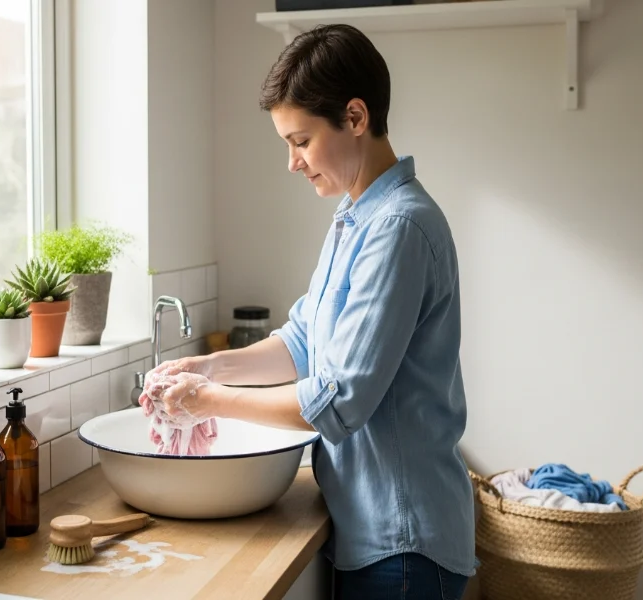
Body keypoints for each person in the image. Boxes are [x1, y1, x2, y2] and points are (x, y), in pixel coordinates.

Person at [140, 23, 476, 600]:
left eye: (300, 141)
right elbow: (301, 342)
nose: (292, 163)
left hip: (403, 541)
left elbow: (339, 400)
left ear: (354, 117)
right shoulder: (356, 219)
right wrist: (208, 370)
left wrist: (208, 403)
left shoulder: (397, 227)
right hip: (375, 533)